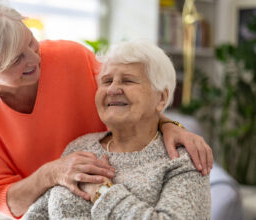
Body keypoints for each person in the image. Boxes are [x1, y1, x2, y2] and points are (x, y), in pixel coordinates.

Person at [0, 0, 213, 218]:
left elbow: (128, 97)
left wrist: (170, 125)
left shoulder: (70, 58)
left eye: (29, 42)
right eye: (14, 61)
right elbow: (2, 197)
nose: (32, 59)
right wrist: (53, 173)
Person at [23, 41, 212, 219]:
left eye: (128, 81)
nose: (113, 89)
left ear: (161, 98)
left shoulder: (183, 160)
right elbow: (37, 215)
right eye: (106, 81)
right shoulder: (79, 147)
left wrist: (102, 192)